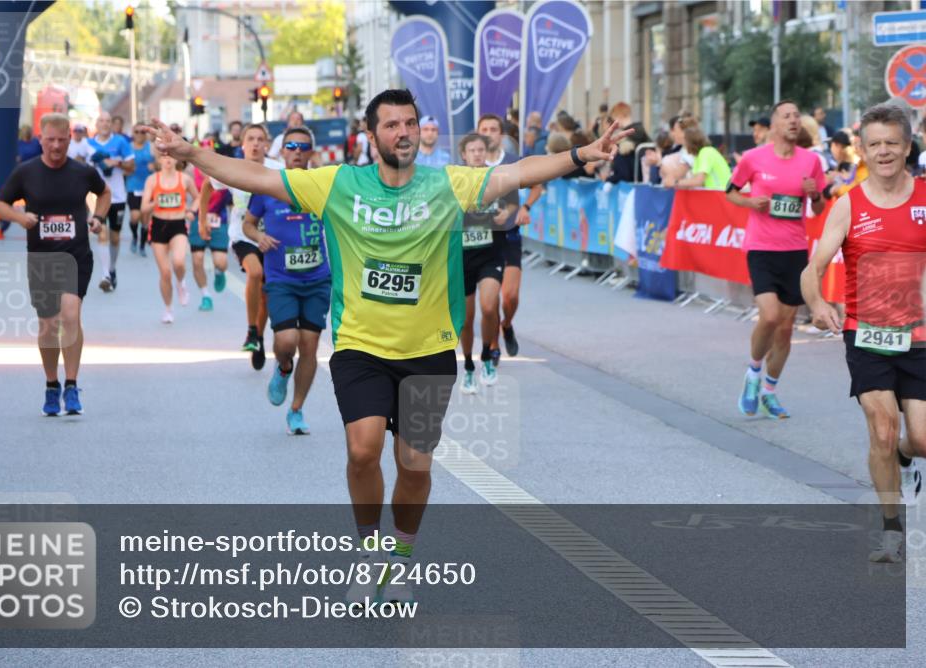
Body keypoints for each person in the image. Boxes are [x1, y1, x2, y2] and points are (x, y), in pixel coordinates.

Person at [142, 87, 629, 606]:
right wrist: (191, 153)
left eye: (410, 123)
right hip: (361, 346)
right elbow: (258, 177)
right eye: (392, 125)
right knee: (362, 451)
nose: (404, 132)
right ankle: (369, 550)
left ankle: (399, 556)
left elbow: (517, 173)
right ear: (371, 136)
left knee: (415, 465)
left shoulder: (447, 185)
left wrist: (580, 155)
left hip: (429, 349)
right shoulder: (338, 184)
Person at [801, 103, 925, 563]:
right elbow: (813, 268)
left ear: (908, 146)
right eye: (874, 144)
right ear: (862, 150)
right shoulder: (848, 204)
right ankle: (892, 529)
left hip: (920, 336)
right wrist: (816, 303)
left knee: (921, 438)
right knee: (882, 428)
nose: (884, 151)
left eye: (892, 142)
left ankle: (908, 461)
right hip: (867, 332)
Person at [0, 113, 110, 416]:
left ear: (70, 140)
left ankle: (71, 384)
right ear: (40, 140)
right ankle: (51, 384)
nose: (56, 146)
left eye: (61, 140)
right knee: (48, 324)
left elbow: (104, 193)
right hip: (42, 258)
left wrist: (98, 218)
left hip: (76, 255)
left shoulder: (82, 172)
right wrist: (21, 218)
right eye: (50, 140)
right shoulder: (26, 173)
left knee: (70, 315)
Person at [726, 99, 827, 419]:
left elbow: (820, 207)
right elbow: (729, 191)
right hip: (761, 247)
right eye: (787, 116)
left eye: (798, 115)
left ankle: (770, 390)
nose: (794, 120)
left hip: (794, 250)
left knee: (785, 329)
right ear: (774, 125)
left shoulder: (811, 161)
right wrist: (749, 202)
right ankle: (753, 374)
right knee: (769, 316)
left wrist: (814, 195)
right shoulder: (754, 158)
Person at [244, 125, 331, 434]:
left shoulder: (324, 186)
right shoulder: (268, 186)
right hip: (281, 278)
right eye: (291, 146)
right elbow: (248, 225)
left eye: (303, 147)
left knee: (309, 346)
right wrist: (259, 236)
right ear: (281, 151)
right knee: (287, 342)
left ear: (310, 152)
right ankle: (282, 368)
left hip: (318, 279)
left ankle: (296, 410)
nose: (296, 151)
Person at [457, 133, 517, 392]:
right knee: (467, 318)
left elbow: (514, 203)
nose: (478, 154)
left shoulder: (497, 178)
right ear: (464, 155)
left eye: (481, 150)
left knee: (489, 307)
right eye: (472, 150)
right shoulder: (455, 181)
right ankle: (469, 366)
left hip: (491, 253)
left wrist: (507, 213)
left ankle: (487, 358)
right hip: (462, 257)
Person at [230, 123, 283, 369]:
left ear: (266, 144)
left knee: (266, 294)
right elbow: (210, 185)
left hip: (271, 238)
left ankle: (259, 338)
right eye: (250, 138)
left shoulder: (277, 170)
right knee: (255, 272)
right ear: (242, 144)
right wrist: (202, 220)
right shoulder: (232, 168)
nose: (255, 143)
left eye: (260, 139)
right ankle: (252, 329)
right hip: (243, 235)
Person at [477, 113, 527, 360]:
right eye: (483, 129)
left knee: (510, 296)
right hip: (482, 239)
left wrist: (526, 208)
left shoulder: (512, 161)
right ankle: (494, 344)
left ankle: (506, 324)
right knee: (490, 299)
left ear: (501, 134)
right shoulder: (471, 164)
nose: (488, 133)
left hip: (509, 235)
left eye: (493, 129)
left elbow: (537, 185)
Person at [140, 152, 199, 323]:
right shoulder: (152, 180)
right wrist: (154, 202)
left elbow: (198, 197)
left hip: (178, 224)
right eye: (164, 157)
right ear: (159, 160)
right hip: (158, 225)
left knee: (179, 261)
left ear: (177, 159)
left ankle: (181, 283)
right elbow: (144, 208)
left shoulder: (184, 179)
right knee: (165, 273)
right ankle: (168, 309)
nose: (167, 159)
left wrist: (191, 211)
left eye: (171, 156)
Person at [87, 111, 134, 293]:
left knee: (114, 238)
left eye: (108, 121)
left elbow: (132, 167)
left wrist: (117, 163)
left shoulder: (121, 142)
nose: (105, 124)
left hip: (118, 196)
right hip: (96, 196)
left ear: (112, 124)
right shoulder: (88, 144)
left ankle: (112, 268)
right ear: (96, 124)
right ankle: (105, 274)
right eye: (101, 121)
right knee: (102, 233)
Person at [191, 143, 232, 312]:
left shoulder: (223, 175)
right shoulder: (192, 174)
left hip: (218, 221)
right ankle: (205, 295)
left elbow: (232, 201)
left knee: (221, 262)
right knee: (197, 259)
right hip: (197, 220)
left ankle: (218, 272)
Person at [672, 125, 731, 190]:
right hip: (717, 195)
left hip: (720, 195)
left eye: (684, 140)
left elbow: (698, 181)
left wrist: (675, 182)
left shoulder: (706, 152)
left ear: (691, 142)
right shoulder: (700, 155)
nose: (683, 144)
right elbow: (696, 181)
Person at [126, 124, 154, 257]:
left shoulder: (151, 147)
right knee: (135, 216)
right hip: (133, 186)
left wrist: (155, 166)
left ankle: (142, 245)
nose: (139, 134)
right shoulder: (128, 147)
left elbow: (161, 164)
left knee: (145, 219)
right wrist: (127, 169)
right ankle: (134, 236)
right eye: (136, 132)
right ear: (133, 133)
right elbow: (122, 165)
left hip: (148, 187)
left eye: (142, 132)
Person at [605, 102, 651, 183]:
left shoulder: (627, 137)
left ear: (619, 116)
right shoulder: (641, 133)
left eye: (614, 118)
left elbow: (623, 173)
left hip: (632, 181)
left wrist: (608, 180)